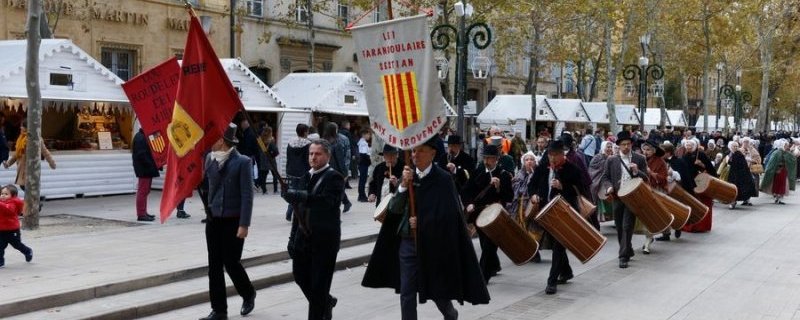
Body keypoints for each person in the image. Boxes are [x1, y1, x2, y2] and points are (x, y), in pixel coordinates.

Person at [362, 137, 490, 320]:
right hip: (408, 243)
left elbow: (450, 216)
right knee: (407, 292)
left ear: (433, 153)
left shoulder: (444, 179)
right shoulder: (407, 176)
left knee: (437, 292)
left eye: (421, 151)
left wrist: (423, 223)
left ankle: (450, 314)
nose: (415, 155)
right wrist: (403, 187)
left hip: (434, 245)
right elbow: (394, 209)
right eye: (413, 151)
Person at [282, 140, 344, 320]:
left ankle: (320, 307)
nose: (313, 157)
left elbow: (326, 202)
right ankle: (326, 301)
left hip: (324, 242)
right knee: (300, 276)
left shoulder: (335, 178)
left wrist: (300, 196)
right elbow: (297, 211)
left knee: (318, 286)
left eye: (317, 154)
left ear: (327, 156)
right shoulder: (304, 177)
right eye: (311, 154)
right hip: (303, 240)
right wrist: (292, 238)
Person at [199, 124, 256, 320]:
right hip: (214, 220)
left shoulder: (243, 161)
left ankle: (248, 293)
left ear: (221, 141)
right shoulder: (209, 159)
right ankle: (219, 310)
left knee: (231, 262)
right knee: (214, 266)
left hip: (233, 221)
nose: (208, 142)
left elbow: (247, 195)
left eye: (212, 138)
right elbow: (206, 186)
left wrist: (244, 224)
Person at [529, 139, 585, 294]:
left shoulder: (572, 169)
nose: (552, 158)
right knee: (556, 243)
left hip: (564, 213)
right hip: (546, 212)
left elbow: (581, 190)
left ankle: (551, 281)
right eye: (549, 154)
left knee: (559, 246)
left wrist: (563, 187)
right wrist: (534, 195)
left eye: (555, 155)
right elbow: (532, 184)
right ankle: (566, 271)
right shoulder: (543, 167)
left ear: (562, 155)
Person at [463, 144, 513, 283]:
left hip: (495, 215)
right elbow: (466, 190)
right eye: (485, 158)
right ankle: (494, 266)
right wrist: (468, 204)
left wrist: (498, 188)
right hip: (478, 213)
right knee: (485, 242)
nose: (487, 161)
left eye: (490, 158)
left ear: (496, 159)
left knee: (490, 244)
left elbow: (509, 197)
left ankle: (482, 276)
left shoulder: (503, 174)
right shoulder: (477, 171)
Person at [600, 131, 649, 269]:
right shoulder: (611, 160)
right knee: (620, 226)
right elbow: (605, 177)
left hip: (633, 197)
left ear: (632, 144)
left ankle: (623, 256)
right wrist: (609, 187)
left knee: (627, 226)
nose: (626, 147)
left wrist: (637, 171)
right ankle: (628, 248)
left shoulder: (639, 158)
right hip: (617, 197)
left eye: (628, 144)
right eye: (623, 144)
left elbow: (646, 178)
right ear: (619, 146)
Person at [681, 139, 716, 233]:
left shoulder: (701, 155)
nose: (688, 147)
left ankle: (701, 226)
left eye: (690, 145)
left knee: (702, 203)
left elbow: (712, 170)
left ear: (695, 145)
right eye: (687, 145)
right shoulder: (684, 156)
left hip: (701, 183)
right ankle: (690, 226)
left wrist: (701, 164)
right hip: (689, 183)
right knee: (691, 204)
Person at [639, 140, 668, 254]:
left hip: (655, 192)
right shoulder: (640, 160)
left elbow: (663, 178)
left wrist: (651, 173)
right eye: (644, 150)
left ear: (653, 151)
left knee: (652, 217)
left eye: (648, 150)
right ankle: (649, 238)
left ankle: (648, 241)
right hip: (642, 192)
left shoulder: (660, 162)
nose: (646, 152)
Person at [129, 128, 158, 222]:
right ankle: (141, 214)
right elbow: (142, 154)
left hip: (145, 168)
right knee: (143, 191)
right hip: (144, 168)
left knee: (145, 191)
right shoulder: (141, 138)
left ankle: (143, 212)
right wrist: (151, 164)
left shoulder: (142, 136)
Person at [285, 124, 312, 221]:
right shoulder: (308, 144)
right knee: (301, 193)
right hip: (303, 171)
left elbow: (288, 157)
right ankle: (297, 213)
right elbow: (308, 159)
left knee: (293, 191)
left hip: (292, 171)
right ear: (305, 132)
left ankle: (289, 211)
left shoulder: (290, 142)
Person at [323, 123, 352, 213]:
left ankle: (337, 208)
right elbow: (340, 160)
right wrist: (345, 173)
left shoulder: (323, 142)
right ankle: (345, 203)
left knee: (335, 189)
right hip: (335, 170)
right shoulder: (336, 143)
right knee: (336, 189)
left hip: (329, 169)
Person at [0, 184, 31, 268]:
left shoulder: (13, 203)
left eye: (6, 194)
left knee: (17, 245)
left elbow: (9, 210)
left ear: (13, 196)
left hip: (12, 230)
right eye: (2, 193)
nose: (3, 195)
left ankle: (27, 251)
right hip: (1, 230)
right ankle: (1, 262)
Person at [760, 139, 797, 204]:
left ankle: (779, 198)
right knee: (777, 185)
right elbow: (772, 163)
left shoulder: (786, 153)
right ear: (782, 145)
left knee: (782, 184)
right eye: (785, 145)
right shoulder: (777, 153)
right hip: (778, 171)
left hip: (783, 171)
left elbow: (793, 159)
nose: (787, 146)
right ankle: (777, 197)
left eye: (787, 145)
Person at [589, 141, 615, 224]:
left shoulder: (613, 157)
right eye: (608, 147)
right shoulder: (597, 157)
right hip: (598, 183)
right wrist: (607, 161)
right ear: (603, 147)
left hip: (608, 184)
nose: (609, 149)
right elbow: (592, 168)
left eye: (611, 147)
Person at [725, 141, 756, 209]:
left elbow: (738, 164)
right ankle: (733, 202)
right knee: (732, 188)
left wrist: (729, 161)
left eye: (736, 146)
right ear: (731, 147)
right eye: (734, 146)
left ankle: (734, 202)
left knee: (736, 188)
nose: (735, 147)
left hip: (738, 175)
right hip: (733, 174)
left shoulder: (738, 154)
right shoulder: (731, 153)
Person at [357, 129, 372, 202]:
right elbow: (363, 154)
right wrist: (370, 160)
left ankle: (361, 195)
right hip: (363, 163)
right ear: (364, 134)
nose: (369, 136)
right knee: (362, 180)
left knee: (362, 180)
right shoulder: (363, 143)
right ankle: (362, 196)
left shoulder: (363, 142)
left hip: (363, 163)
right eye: (368, 134)